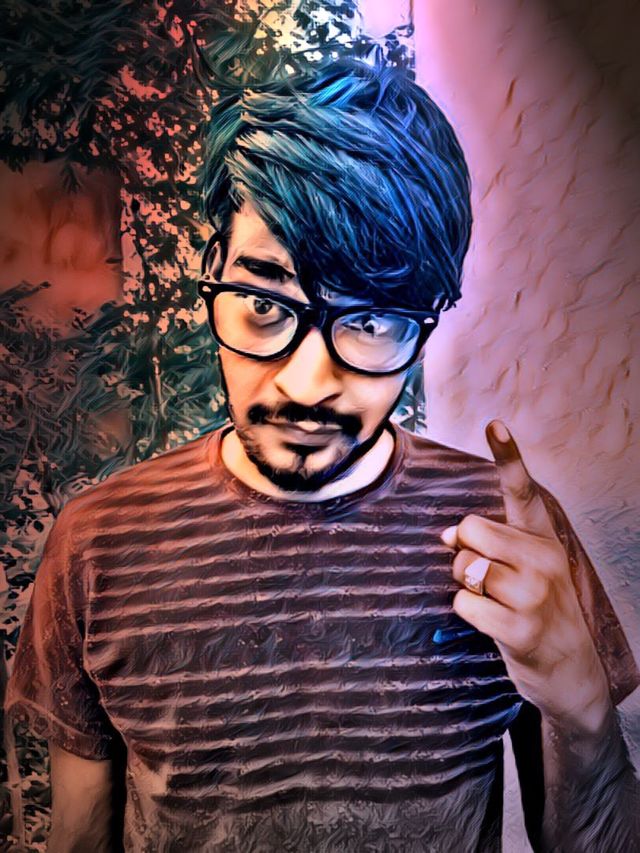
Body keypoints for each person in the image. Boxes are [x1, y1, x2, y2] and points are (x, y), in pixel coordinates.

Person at [5, 45, 640, 853]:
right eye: (265, 303)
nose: (307, 384)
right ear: (213, 271)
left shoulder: (512, 541)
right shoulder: (98, 541)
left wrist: (583, 714)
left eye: (370, 320)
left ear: (424, 325)